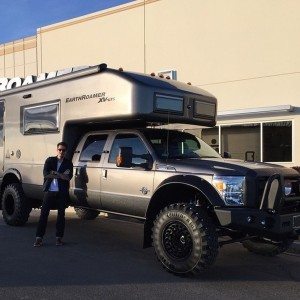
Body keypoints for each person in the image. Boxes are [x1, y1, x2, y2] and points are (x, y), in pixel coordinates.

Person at [34, 142, 73, 247]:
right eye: (60, 150)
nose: (61, 152)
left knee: (61, 215)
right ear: (57, 150)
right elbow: (46, 174)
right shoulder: (50, 160)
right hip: (49, 192)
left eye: (63, 150)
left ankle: (58, 238)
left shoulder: (68, 163)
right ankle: (39, 238)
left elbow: (68, 177)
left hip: (61, 193)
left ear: (66, 151)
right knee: (44, 215)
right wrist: (61, 175)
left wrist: (55, 173)